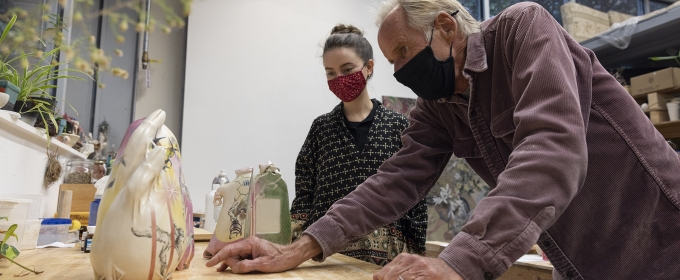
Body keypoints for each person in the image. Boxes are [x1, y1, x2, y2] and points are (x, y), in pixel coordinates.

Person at [206, 0, 680, 279]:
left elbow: (552, 148)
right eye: (391, 62)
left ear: (447, 28)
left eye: (404, 53)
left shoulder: (524, 30)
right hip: (581, 261)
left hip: (662, 242)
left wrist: (458, 263)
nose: (398, 71)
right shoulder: (441, 106)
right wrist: (299, 247)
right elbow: (393, 182)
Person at [290, 24, 427, 266]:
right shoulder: (321, 129)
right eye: (330, 73)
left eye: (347, 69)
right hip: (325, 259)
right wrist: (296, 251)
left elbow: (415, 196)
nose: (339, 79)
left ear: (369, 67)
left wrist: (415, 253)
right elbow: (304, 197)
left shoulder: (398, 126)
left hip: (386, 261)